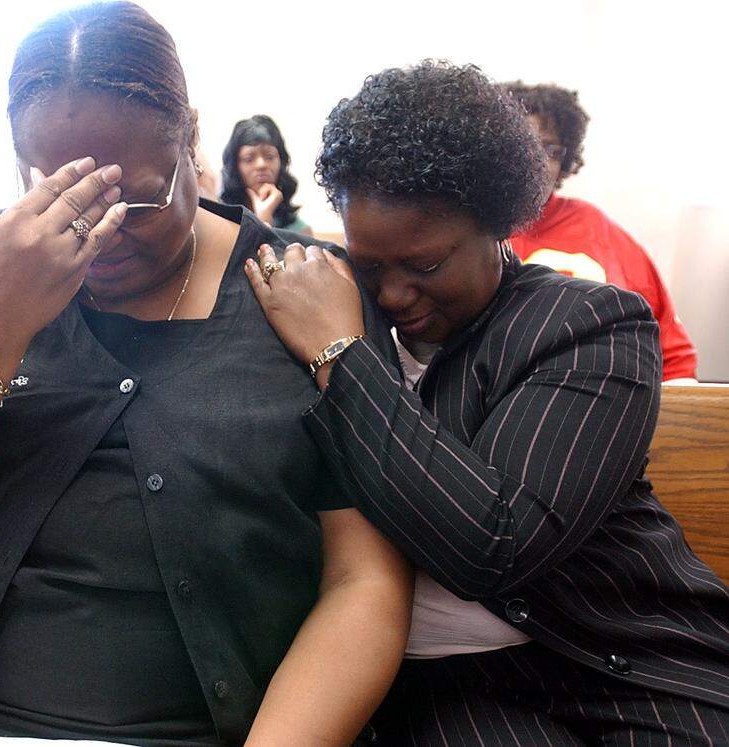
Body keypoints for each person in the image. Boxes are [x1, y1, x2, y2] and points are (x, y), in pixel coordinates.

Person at [0, 3, 411, 745]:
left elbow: (365, 580)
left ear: (191, 135)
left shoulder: (302, 294)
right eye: (68, 193)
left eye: (138, 197)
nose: (102, 233)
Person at [246, 61, 729, 744]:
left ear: (499, 222)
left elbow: (495, 544)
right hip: (442, 688)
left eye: (427, 264)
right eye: (372, 264)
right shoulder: (327, 302)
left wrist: (341, 355)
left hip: (623, 657)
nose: (392, 295)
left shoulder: (588, 325)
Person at [504, 82, 698, 381]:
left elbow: (673, 360)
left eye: (551, 149)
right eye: (526, 146)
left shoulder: (597, 230)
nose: (538, 164)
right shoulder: (466, 233)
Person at [219, 115, 312, 235]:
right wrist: (262, 221)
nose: (261, 165)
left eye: (269, 157)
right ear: (235, 167)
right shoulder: (219, 222)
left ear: (281, 162)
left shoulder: (300, 231)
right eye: (249, 159)